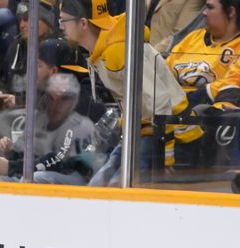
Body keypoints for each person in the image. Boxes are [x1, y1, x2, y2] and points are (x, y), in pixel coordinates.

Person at [60, 0, 192, 185]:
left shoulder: (116, 51)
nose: (61, 27)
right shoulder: (104, 47)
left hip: (171, 134)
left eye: (63, 21)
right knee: (96, 186)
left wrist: (167, 153)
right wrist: (122, 123)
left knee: (116, 188)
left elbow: (160, 100)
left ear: (83, 23)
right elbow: (137, 99)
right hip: (141, 130)